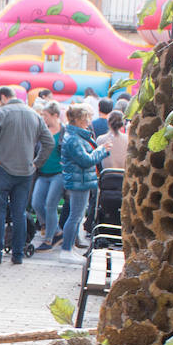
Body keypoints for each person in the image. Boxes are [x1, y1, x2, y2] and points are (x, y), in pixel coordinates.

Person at [0, 86, 53, 265]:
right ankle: (17, 254)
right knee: (19, 212)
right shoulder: (34, 114)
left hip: (2, 168)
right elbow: (48, 142)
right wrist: (36, 162)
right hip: (26, 171)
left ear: (3, 98)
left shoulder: (1, 113)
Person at [60, 104, 112, 263]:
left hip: (79, 181)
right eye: (87, 117)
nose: (89, 121)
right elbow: (86, 160)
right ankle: (66, 250)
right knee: (75, 216)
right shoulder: (75, 139)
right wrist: (102, 150)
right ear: (80, 119)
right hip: (79, 182)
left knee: (75, 216)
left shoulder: (74, 136)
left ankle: (69, 249)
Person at [29, 100, 66, 252]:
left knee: (50, 205)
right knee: (36, 203)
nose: (43, 118)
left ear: (55, 115)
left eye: (46, 115)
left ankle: (49, 239)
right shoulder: (42, 131)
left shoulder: (64, 132)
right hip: (43, 173)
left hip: (58, 173)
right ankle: (56, 230)